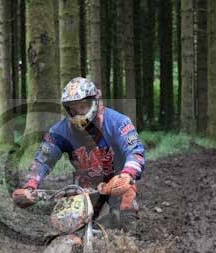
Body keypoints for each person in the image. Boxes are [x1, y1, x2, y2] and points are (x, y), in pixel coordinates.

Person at [12, 77, 145, 232]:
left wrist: (128, 174)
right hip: (84, 187)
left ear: (94, 102)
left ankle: (126, 246)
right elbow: (43, 160)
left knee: (126, 220)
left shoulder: (118, 122)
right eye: (73, 108)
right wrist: (30, 186)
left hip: (117, 183)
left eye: (83, 106)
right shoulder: (59, 131)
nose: (79, 112)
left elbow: (135, 150)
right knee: (72, 228)